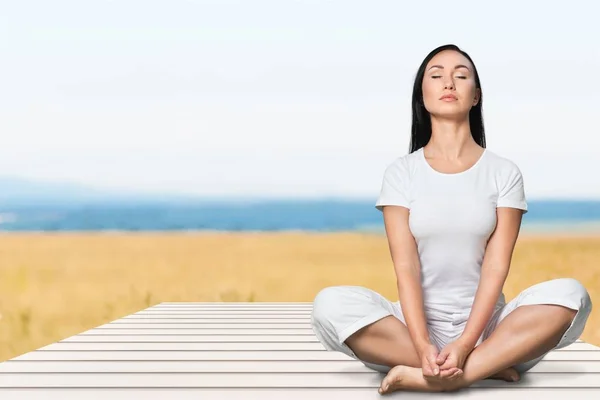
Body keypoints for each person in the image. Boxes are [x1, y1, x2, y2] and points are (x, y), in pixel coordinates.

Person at [310, 44, 593, 394]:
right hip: (411, 334)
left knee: (571, 295)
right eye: (436, 76)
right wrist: (424, 342)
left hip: (489, 329)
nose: (449, 83)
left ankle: (438, 374)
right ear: (422, 95)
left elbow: (495, 267)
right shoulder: (401, 173)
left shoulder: (503, 172)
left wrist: (465, 343)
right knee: (329, 304)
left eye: (461, 76)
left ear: (476, 96)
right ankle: (485, 367)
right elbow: (406, 268)